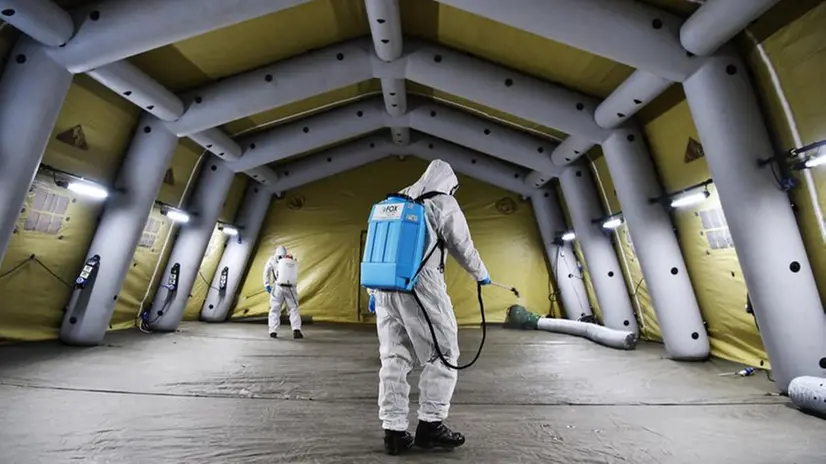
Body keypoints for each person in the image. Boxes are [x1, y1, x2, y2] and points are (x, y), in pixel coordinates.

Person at [368, 159, 491, 455]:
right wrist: (481, 274)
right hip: (421, 285)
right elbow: (462, 245)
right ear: (449, 182)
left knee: (393, 357)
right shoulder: (443, 202)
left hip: (385, 284)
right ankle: (431, 425)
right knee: (443, 353)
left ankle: (394, 432)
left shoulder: (396, 199)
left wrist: (373, 290)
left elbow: (379, 245)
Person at [263, 245, 304, 339]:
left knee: (274, 309)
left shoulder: (272, 259)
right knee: (293, 308)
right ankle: (296, 330)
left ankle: (273, 331)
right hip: (290, 288)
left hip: (277, 287)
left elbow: (266, 271)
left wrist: (267, 285)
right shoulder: (291, 259)